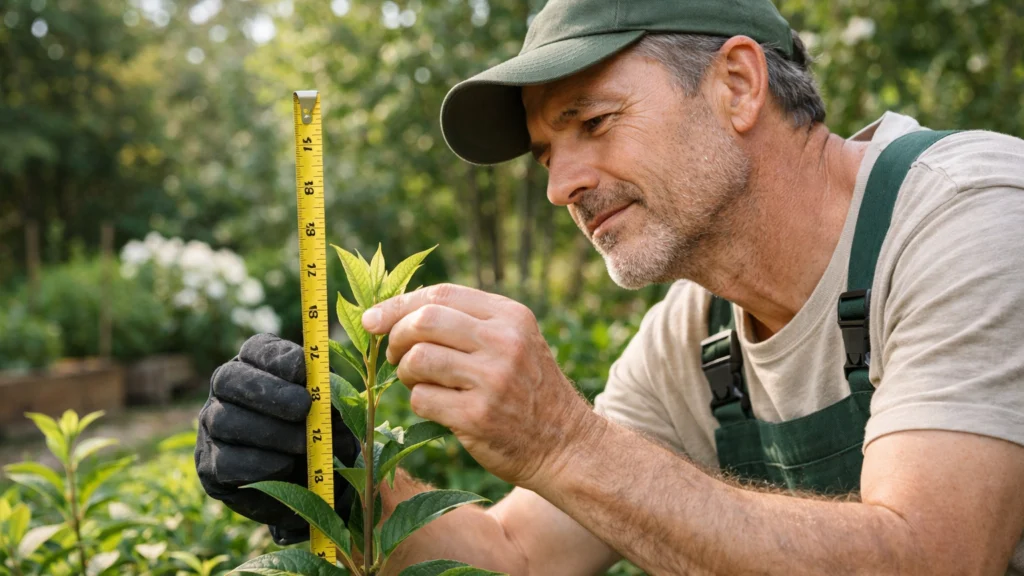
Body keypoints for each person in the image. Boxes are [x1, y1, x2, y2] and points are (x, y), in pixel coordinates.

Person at [194, 0, 1024, 573]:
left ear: (737, 84)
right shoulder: (694, 338)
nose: (562, 186)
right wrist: (339, 477)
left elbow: (934, 560)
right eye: (548, 154)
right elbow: (516, 559)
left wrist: (560, 439)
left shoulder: (967, 215)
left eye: (592, 123)